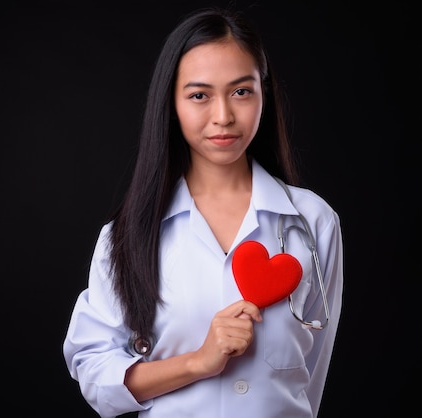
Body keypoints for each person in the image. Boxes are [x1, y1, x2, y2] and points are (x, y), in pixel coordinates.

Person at [63, 6, 343, 418]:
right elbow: (95, 373)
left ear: (264, 92)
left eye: (241, 91)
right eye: (199, 95)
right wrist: (198, 361)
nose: (223, 116)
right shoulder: (128, 235)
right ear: (171, 103)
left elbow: (311, 375)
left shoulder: (313, 221)